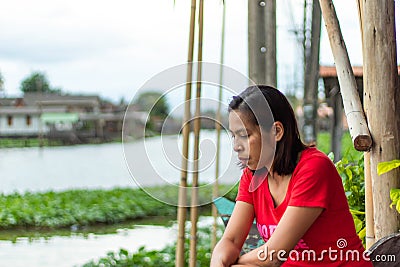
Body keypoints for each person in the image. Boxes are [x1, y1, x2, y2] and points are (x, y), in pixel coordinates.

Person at [210, 85, 372, 267]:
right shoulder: (252, 177)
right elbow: (231, 240)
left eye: (245, 135)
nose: (236, 146)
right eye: (234, 136)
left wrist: (236, 264)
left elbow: (273, 255)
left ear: (277, 131)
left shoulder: (314, 169)